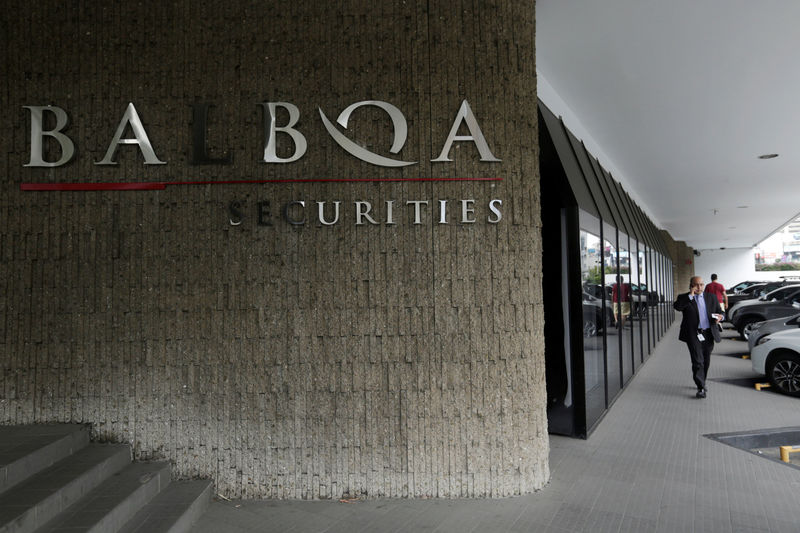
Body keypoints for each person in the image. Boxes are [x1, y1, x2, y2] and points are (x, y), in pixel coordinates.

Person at [674, 276, 724, 398]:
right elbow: (678, 307)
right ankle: (700, 387)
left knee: (706, 360)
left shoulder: (711, 297)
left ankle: (702, 380)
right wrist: (690, 296)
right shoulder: (684, 298)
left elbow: (720, 311)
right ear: (690, 285)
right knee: (697, 361)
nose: (699, 287)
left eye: (701, 284)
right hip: (693, 334)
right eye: (696, 285)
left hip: (708, 333)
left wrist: (721, 317)